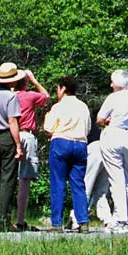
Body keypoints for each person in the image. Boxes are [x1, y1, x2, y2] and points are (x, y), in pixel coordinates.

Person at [43, 76, 90, 232]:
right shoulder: (83, 106)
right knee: (78, 184)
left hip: (61, 142)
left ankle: (57, 223)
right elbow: (88, 128)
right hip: (81, 144)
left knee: (58, 183)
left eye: (58, 88)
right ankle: (83, 221)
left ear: (63, 89)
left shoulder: (58, 107)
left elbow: (48, 129)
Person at [97, 69, 128, 234]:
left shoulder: (113, 97)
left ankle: (121, 219)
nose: (110, 85)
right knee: (127, 179)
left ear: (117, 83)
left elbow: (100, 119)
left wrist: (107, 120)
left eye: (112, 82)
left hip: (114, 134)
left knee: (116, 180)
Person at [0, 62, 25, 232]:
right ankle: (4, 220)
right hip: (7, 137)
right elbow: (12, 121)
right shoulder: (11, 97)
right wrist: (18, 145)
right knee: (8, 180)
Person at [14, 68, 49, 231]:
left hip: (11, 136)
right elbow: (46, 96)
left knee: (8, 179)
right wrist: (35, 80)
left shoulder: (10, 97)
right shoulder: (30, 96)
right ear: (26, 82)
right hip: (26, 135)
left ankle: (6, 216)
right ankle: (20, 219)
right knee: (24, 180)